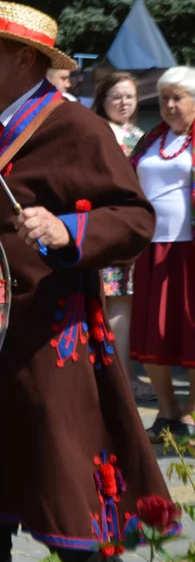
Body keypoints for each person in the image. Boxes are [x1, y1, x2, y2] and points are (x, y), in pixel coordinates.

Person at [0, 2, 173, 560]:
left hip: (44, 344)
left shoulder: (78, 127)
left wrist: (68, 228)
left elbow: (135, 218)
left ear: (26, 60)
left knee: (64, 496)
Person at [130, 66, 195, 441]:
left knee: (189, 328)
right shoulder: (151, 140)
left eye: (178, 98)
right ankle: (167, 410)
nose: (169, 105)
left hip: (189, 250)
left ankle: (190, 415)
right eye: (165, 98)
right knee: (152, 332)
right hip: (151, 248)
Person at [91, 72, 153, 403]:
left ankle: (124, 376)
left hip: (130, 230)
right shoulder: (96, 131)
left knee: (121, 302)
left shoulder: (142, 137)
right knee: (99, 299)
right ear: (103, 99)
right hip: (103, 226)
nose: (124, 103)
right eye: (117, 96)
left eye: (129, 97)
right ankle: (103, 375)